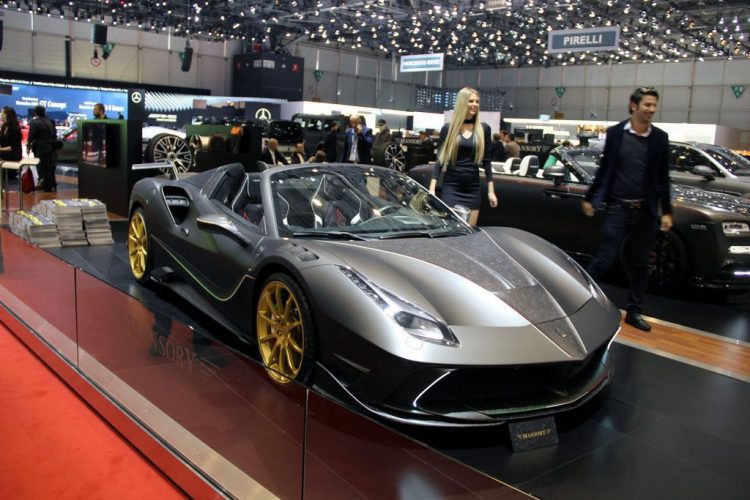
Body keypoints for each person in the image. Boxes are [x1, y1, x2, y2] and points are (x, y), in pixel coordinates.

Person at [582, 87, 672, 332]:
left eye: (654, 105)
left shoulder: (660, 138)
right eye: (647, 105)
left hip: (645, 211)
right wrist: (590, 197)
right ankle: (581, 302)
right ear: (634, 105)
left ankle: (634, 312)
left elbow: (663, 178)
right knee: (605, 258)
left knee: (641, 263)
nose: (652, 109)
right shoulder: (616, 133)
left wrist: (666, 211)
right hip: (618, 208)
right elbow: (605, 169)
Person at [428, 87, 498, 226]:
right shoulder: (449, 129)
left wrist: (491, 191)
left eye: (477, 101)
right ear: (462, 103)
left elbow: (487, 161)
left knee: (470, 232)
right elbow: (440, 160)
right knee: (451, 229)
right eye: (471, 101)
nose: (475, 104)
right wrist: (432, 188)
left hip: (473, 188)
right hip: (452, 186)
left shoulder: (484, 129)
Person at [27, 105, 58, 192]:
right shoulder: (50, 121)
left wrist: (28, 145)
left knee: (40, 166)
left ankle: (43, 182)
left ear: (36, 112)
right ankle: (51, 183)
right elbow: (53, 134)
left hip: (39, 147)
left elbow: (31, 136)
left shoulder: (34, 122)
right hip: (49, 147)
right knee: (49, 166)